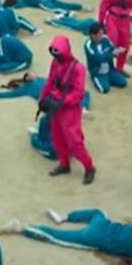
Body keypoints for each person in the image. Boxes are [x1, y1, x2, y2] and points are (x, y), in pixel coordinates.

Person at [0, 207, 132, 265]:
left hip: (104, 225)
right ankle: (21, 228)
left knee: (96, 213)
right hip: (97, 239)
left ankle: (65, 216)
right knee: (58, 237)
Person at [39, 35, 96, 184]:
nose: (55, 57)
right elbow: (50, 81)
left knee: (74, 142)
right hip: (55, 106)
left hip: (69, 109)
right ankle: (64, 164)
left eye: (57, 54)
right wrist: (42, 98)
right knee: (56, 137)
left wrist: (61, 102)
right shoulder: (55, 63)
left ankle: (89, 167)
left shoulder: (78, 68)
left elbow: (78, 93)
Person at [0, 71, 92, 111]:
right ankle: (81, 108)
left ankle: (82, 108)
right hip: (52, 96)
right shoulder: (24, 88)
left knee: (84, 93)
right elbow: (10, 94)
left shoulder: (38, 79)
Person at [85, 21, 128, 93]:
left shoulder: (105, 39)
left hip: (109, 70)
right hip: (98, 72)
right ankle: (96, 78)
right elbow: (97, 58)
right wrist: (112, 54)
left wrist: (118, 51)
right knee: (104, 89)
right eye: (100, 34)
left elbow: (112, 48)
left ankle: (107, 79)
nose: (102, 36)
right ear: (93, 35)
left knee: (123, 83)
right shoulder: (88, 45)